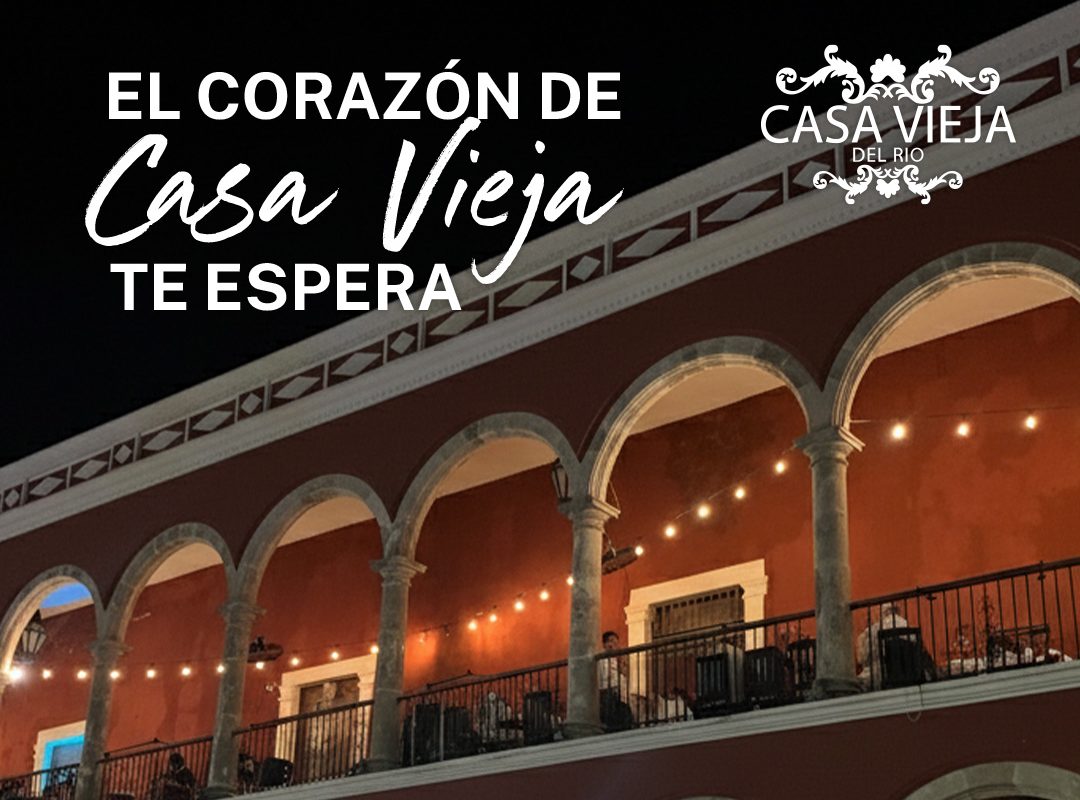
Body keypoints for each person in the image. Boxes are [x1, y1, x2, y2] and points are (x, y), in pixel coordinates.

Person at [856, 603, 910, 689]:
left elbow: (861, 658)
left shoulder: (873, 629)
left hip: (880, 672)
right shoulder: (907, 625)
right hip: (905, 673)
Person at [598, 631, 633, 730]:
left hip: (620, 693)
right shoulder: (601, 659)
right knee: (611, 715)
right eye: (611, 641)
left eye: (616, 643)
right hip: (608, 691)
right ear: (605, 644)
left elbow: (623, 675)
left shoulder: (617, 660)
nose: (614, 645)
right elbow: (604, 677)